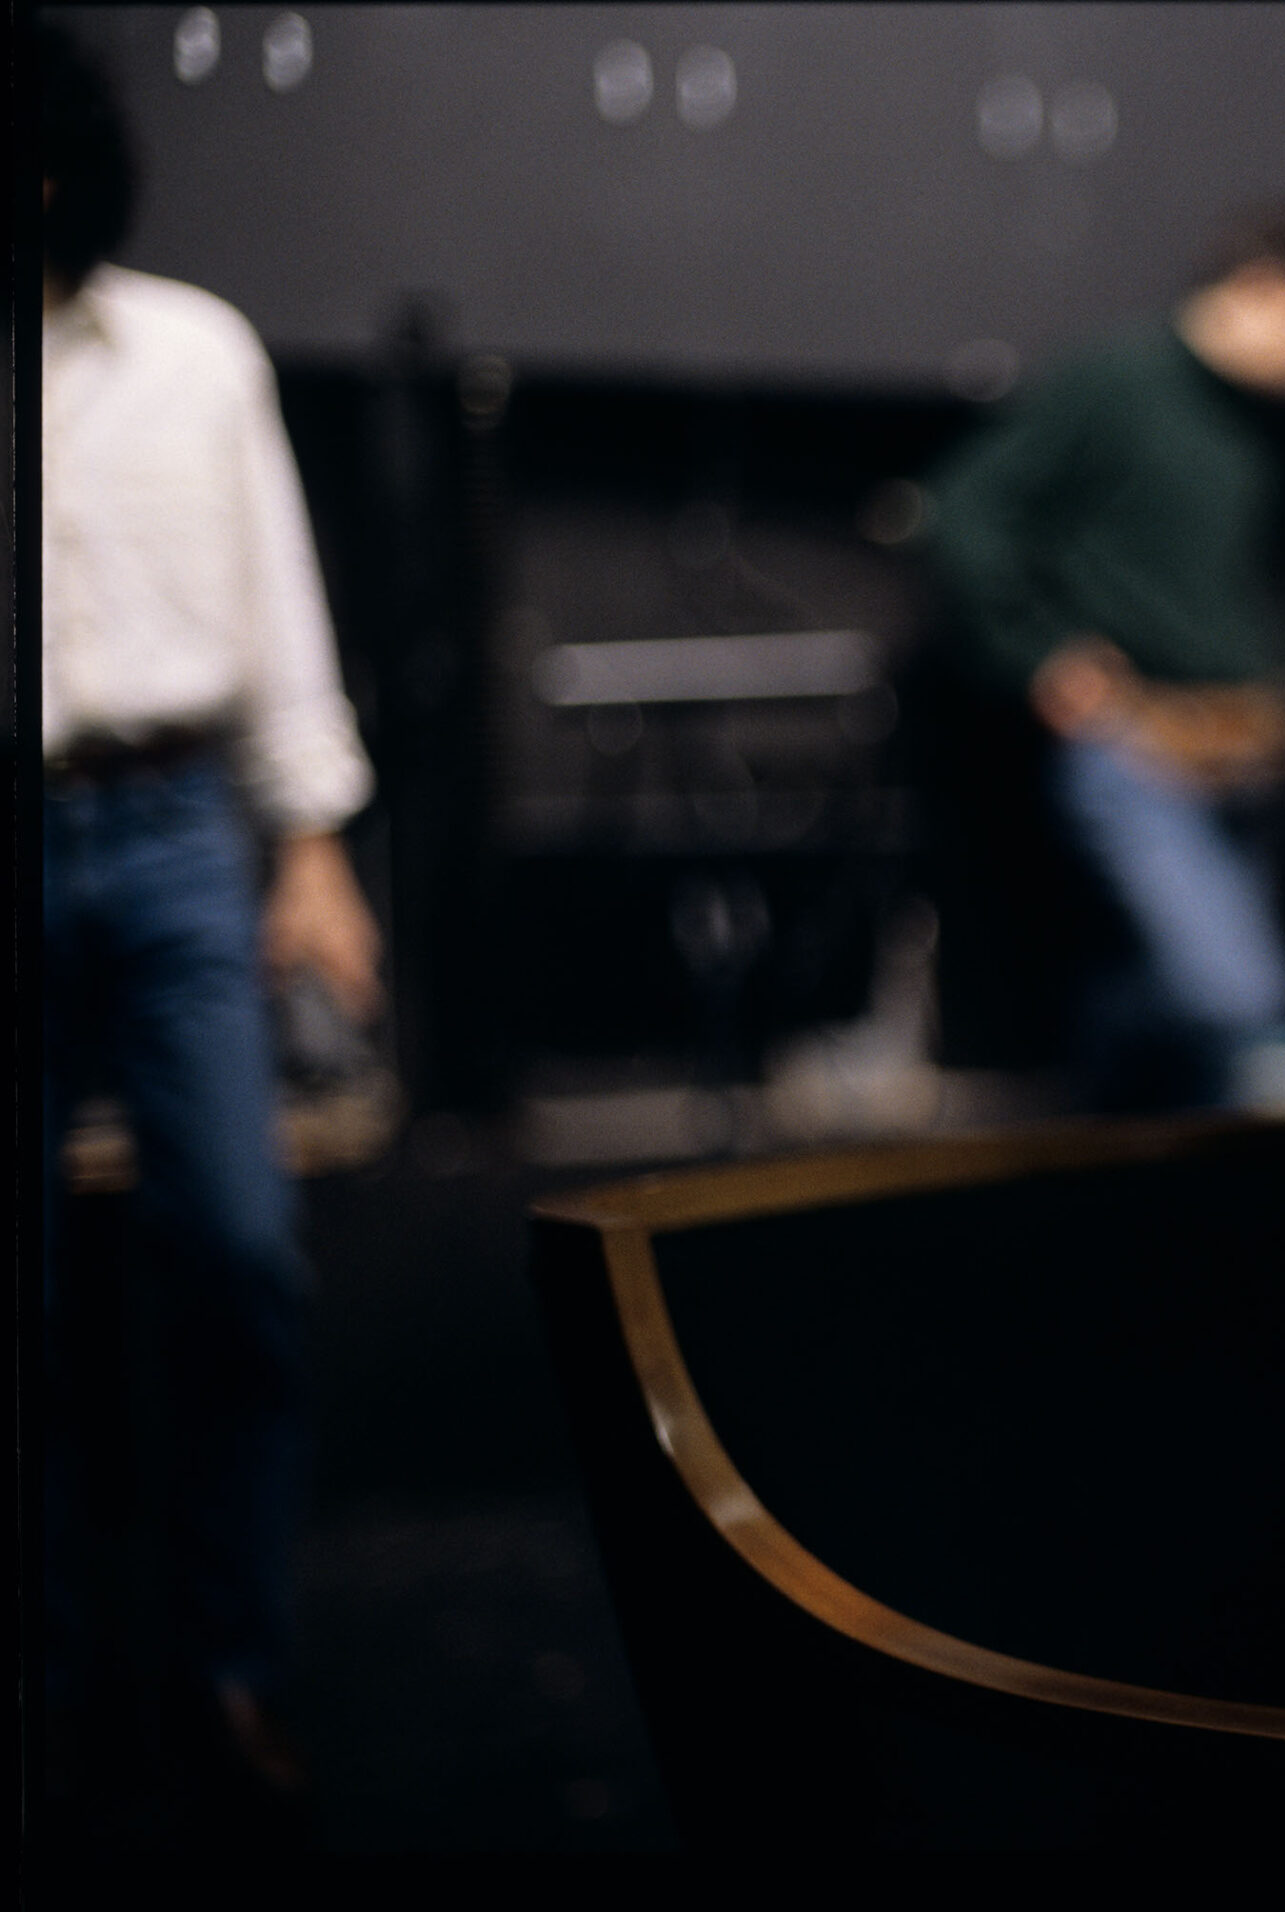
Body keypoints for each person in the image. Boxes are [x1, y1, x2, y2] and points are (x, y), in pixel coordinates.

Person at [39, 22, 382, 1830]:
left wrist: (311, 842)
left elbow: (279, 605)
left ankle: (228, 1665)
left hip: (178, 829)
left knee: (242, 1253)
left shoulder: (192, 351)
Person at [928, 208, 1285, 1109]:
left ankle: (1117, 1158)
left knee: (1154, 1013)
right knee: (1245, 1008)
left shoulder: (1259, 427)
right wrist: (1038, 653)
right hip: (1136, 745)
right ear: (1261, 289)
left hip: (1240, 754)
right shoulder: (1116, 381)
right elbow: (966, 512)